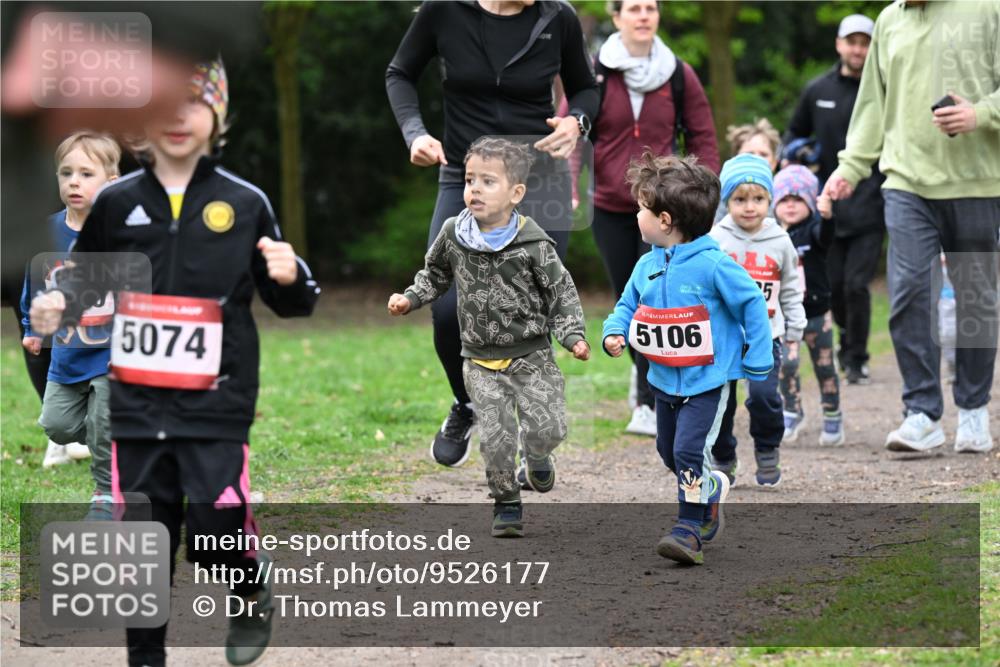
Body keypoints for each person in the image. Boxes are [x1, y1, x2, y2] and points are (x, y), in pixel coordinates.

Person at [31, 58, 319, 667]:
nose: (178, 118)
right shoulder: (117, 203)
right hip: (135, 402)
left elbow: (292, 302)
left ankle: (250, 587)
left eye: (195, 103)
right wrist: (58, 303)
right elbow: (86, 280)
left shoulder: (244, 202)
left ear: (218, 115)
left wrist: (291, 278)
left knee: (214, 536)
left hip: (216, 400)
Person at [386, 0, 599, 468]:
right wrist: (414, 132)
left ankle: (532, 429)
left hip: (539, 178)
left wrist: (576, 121)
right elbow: (399, 73)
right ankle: (468, 404)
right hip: (468, 175)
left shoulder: (557, 16)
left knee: (534, 306)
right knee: (447, 310)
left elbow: (585, 88)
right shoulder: (444, 11)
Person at [389, 137, 590, 538]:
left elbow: (560, 292)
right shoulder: (454, 234)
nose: (475, 189)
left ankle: (537, 454)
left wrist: (572, 336)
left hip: (532, 354)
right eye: (469, 180)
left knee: (549, 426)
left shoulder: (534, 243)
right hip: (480, 358)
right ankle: (506, 503)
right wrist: (410, 298)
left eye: (488, 181)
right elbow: (435, 275)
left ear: (516, 193)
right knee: (496, 438)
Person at [823, 0, 999, 454]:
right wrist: (851, 166)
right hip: (904, 181)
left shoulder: (988, 9)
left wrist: (980, 114)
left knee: (976, 300)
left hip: (978, 183)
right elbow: (872, 104)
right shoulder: (889, 20)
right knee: (909, 294)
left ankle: (974, 409)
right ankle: (922, 412)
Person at [602, 152, 772, 565]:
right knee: (668, 451)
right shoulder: (646, 265)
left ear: (664, 220)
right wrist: (614, 330)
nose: (635, 216)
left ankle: (688, 529)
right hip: (663, 379)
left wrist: (757, 354)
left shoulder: (713, 265)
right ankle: (709, 489)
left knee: (687, 452)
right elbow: (627, 304)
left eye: (641, 209)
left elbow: (752, 301)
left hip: (707, 382)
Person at [586, 0, 720, 438]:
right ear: (616, 17)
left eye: (651, 7)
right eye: (634, 8)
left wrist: (705, 195)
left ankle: (649, 398)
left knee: (659, 298)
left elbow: (702, 135)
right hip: (610, 203)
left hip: (664, 207)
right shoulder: (596, 72)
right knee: (628, 295)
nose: (644, 15)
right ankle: (644, 377)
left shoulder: (678, 73)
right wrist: (569, 183)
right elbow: (573, 129)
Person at [784, 14, 885, 385]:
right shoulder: (817, 90)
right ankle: (845, 341)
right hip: (825, 207)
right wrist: (794, 155)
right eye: (852, 42)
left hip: (873, 202)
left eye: (865, 43)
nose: (858, 50)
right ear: (840, 44)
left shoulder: (885, 88)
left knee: (857, 284)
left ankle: (857, 357)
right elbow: (794, 133)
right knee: (836, 285)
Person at [23, 133, 119, 501]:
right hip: (67, 352)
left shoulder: (122, 232)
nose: (74, 182)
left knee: (103, 423)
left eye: (86, 174)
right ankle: (122, 439)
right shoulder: (47, 231)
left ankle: (106, 491)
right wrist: (33, 328)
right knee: (56, 426)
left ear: (111, 182)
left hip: (111, 353)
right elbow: (35, 285)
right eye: (66, 173)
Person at [709, 153, 806, 488]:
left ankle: (767, 448)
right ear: (727, 201)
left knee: (764, 397)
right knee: (720, 402)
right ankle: (723, 457)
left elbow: (791, 287)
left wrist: (796, 326)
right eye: (740, 200)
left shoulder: (781, 241)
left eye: (758, 199)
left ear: (769, 200)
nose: (749, 207)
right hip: (724, 337)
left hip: (766, 336)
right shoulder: (716, 240)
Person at [773, 165, 843, 446]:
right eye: (784, 199)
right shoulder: (771, 235)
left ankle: (832, 413)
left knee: (825, 366)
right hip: (786, 315)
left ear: (811, 203)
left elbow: (825, 236)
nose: (790, 205)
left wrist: (827, 217)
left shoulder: (813, 229)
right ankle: (792, 409)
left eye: (798, 199)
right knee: (785, 365)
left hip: (817, 313)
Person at [713, 118, 781, 222]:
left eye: (764, 154)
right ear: (735, 158)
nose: (757, 159)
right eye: (750, 154)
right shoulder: (722, 194)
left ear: (774, 162)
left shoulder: (783, 195)